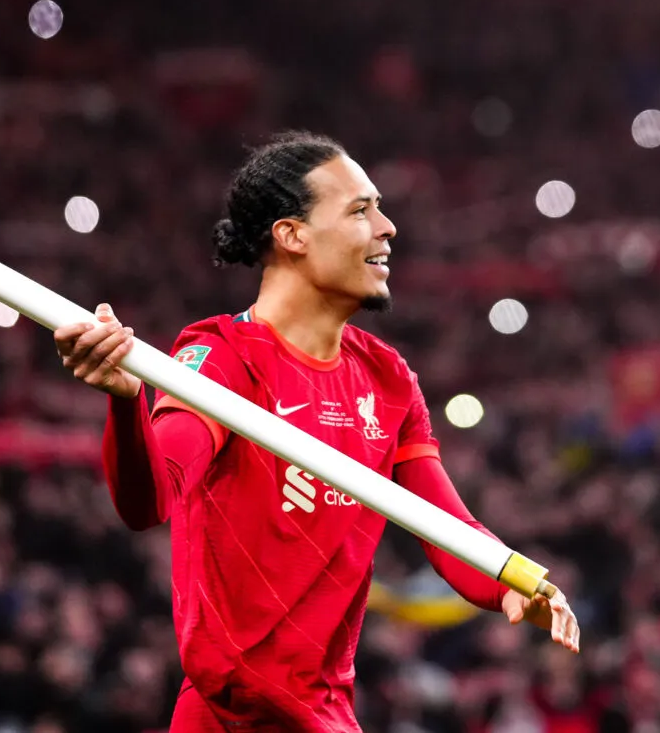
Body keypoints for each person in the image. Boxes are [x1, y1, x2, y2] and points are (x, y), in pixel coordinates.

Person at [54, 131, 580, 732]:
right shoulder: (222, 357)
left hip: (325, 712)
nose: (388, 228)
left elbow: (444, 526)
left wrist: (514, 584)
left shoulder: (387, 378)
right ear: (292, 234)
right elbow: (151, 499)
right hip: (232, 717)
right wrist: (126, 403)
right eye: (360, 210)